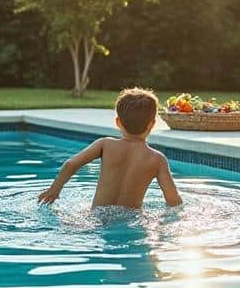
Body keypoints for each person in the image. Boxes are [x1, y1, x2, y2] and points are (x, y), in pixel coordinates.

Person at [38, 88, 183, 208]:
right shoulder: (157, 159)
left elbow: (70, 164)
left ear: (118, 122)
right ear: (152, 124)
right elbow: (173, 200)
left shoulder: (105, 144)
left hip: (98, 217)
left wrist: (54, 190)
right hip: (129, 220)